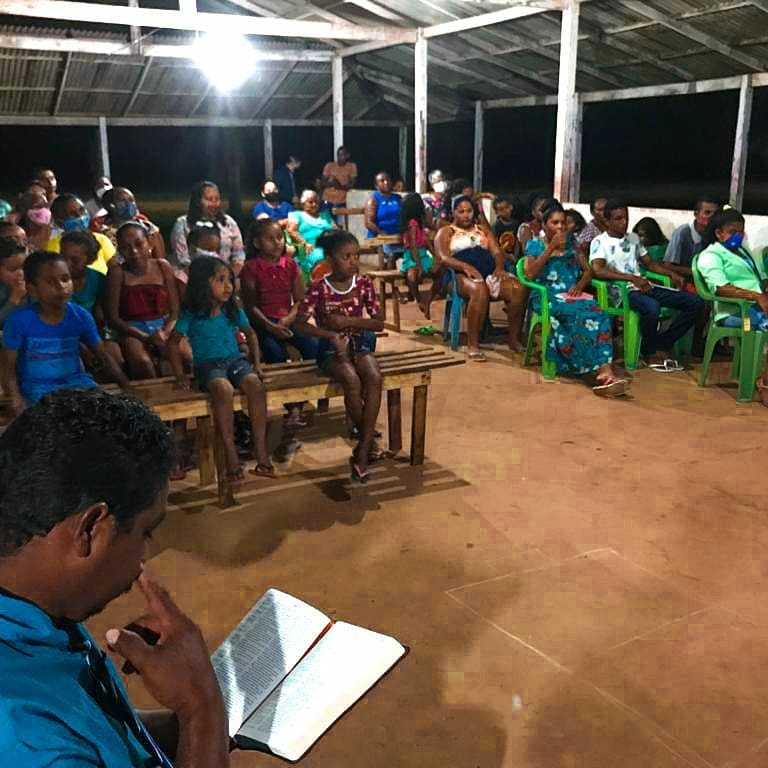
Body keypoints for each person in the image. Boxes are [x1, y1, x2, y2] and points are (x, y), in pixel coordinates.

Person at [0, 389, 230, 768]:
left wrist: (186, 728)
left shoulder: (38, 606)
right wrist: (201, 711)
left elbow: (93, 733)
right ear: (91, 528)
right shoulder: (33, 746)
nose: (143, 561)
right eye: (146, 533)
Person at [169, 256, 274, 481]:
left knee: (255, 384)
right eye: (220, 280)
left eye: (230, 280)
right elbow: (172, 342)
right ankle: (231, 456)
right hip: (207, 366)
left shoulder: (232, 309)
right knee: (222, 388)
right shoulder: (191, 312)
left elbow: (252, 334)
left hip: (235, 361)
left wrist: (256, 364)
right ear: (202, 284)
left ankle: (262, 455)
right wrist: (180, 375)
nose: (229, 286)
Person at [293, 230, 384, 484]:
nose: (354, 261)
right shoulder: (318, 288)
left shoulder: (364, 284)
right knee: (351, 379)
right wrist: (329, 334)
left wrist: (348, 321)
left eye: (357, 255)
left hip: (361, 342)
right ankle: (366, 449)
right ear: (330, 260)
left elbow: (378, 324)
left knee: (374, 377)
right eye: (347, 256)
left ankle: (363, 449)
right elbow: (300, 325)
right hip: (332, 350)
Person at [2, 251, 129, 411]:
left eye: (65, 279)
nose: (61, 287)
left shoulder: (80, 316)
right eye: (50, 282)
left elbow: (103, 355)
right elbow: (8, 370)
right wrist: (16, 398)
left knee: (100, 411)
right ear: (32, 289)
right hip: (37, 387)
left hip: (75, 382)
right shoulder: (18, 321)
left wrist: (127, 388)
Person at [523, 203, 627, 396]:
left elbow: (588, 270)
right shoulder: (535, 244)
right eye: (555, 223)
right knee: (579, 316)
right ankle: (594, 369)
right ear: (544, 225)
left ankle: (604, 368)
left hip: (571, 295)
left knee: (600, 313)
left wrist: (579, 286)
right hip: (547, 296)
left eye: (563, 222)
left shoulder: (572, 243)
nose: (561, 227)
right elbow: (529, 274)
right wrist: (551, 247)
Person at [590, 200, 705, 366]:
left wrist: (671, 273)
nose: (624, 222)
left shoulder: (633, 239)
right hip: (620, 290)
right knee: (652, 307)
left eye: (626, 218)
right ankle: (650, 351)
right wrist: (631, 278)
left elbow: (650, 264)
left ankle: (662, 342)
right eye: (618, 219)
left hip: (643, 286)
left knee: (695, 303)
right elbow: (598, 270)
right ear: (607, 221)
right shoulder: (600, 242)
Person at [434, 196, 528, 360]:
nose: (466, 215)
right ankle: (473, 344)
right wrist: (465, 267)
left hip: (489, 273)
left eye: (469, 211)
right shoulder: (446, 231)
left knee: (518, 288)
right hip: (458, 276)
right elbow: (443, 257)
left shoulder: (483, 230)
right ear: (454, 213)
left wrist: (499, 267)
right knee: (479, 289)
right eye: (461, 211)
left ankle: (513, 339)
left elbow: (497, 252)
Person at [107, 221, 190, 380]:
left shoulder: (162, 266)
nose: (134, 251)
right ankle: (150, 398)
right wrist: (144, 337)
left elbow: (174, 311)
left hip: (164, 323)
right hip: (132, 327)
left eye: (139, 244)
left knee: (184, 355)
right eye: (126, 247)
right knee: (141, 361)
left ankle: (186, 395)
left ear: (149, 242)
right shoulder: (117, 273)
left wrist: (165, 332)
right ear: (120, 251)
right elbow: (113, 318)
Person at [170, 181, 245, 275]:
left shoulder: (228, 222)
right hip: (194, 276)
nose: (214, 203)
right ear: (197, 201)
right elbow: (182, 260)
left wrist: (229, 276)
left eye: (217, 199)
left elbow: (239, 255)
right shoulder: (183, 224)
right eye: (209, 199)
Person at [46, 194, 115, 275]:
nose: (80, 216)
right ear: (59, 222)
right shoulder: (51, 248)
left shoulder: (101, 239)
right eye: (72, 214)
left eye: (82, 210)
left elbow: (114, 269)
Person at [92, 187, 166, 260]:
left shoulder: (149, 228)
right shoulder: (102, 233)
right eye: (122, 201)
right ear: (110, 206)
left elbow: (160, 261)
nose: (129, 204)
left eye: (131, 200)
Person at [663, 195, 720, 282]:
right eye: (707, 213)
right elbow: (667, 266)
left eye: (715, 214)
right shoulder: (682, 232)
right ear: (696, 214)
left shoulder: (718, 234)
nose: (712, 217)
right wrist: (696, 272)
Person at [399, 193, 435, 316]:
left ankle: (428, 299)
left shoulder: (419, 221)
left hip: (423, 254)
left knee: (440, 271)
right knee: (412, 276)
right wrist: (419, 265)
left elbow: (425, 239)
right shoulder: (412, 223)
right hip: (412, 256)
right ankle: (419, 299)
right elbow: (413, 246)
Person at [288, 189, 335, 281]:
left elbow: (336, 230)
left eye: (316, 202)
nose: (314, 205)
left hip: (330, 246)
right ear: (303, 204)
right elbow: (292, 230)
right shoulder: (297, 215)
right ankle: (321, 284)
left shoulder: (325, 215)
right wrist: (304, 243)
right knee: (321, 256)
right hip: (311, 247)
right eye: (310, 202)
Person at [365, 172, 403, 269]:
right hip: (379, 236)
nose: (386, 182)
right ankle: (390, 280)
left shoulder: (397, 198)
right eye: (382, 181)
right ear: (376, 185)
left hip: (398, 236)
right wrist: (383, 234)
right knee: (391, 254)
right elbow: (368, 223)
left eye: (388, 180)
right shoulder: (374, 200)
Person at [0, 236, 28, 329]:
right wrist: (14, 299)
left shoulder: (29, 286)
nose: (21, 273)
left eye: (23, 268)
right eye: (13, 269)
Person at [14, 187, 51, 251]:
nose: (44, 211)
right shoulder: (15, 235)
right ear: (25, 210)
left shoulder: (55, 234)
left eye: (46, 206)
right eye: (38, 207)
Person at [492, 195, 520, 260]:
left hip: (514, 256)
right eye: (501, 210)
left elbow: (517, 241)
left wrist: (515, 256)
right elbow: (494, 245)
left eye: (507, 207)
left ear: (511, 207)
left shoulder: (516, 223)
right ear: (497, 212)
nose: (505, 211)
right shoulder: (497, 226)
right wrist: (508, 256)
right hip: (501, 257)